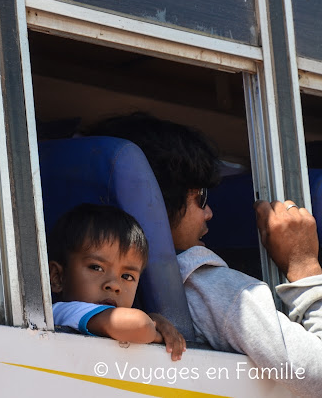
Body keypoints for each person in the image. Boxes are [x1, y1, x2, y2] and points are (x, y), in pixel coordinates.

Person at [88, 112, 322, 396]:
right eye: (200, 198)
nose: (209, 212)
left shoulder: (80, 277)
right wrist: (304, 266)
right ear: (157, 200)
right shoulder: (211, 288)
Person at [47, 203, 186, 361]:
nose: (114, 284)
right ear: (57, 277)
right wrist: (156, 327)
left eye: (127, 276)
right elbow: (139, 325)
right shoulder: (61, 312)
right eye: (96, 267)